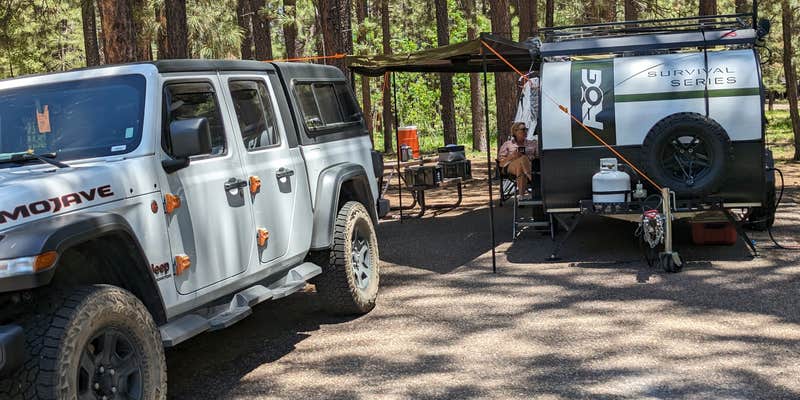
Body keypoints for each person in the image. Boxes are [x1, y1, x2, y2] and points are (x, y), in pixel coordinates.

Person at [498, 121, 538, 198]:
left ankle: (521, 196)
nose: (525, 131)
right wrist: (512, 156)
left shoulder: (532, 143)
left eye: (526, 129)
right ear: (515, 131)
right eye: (523, 129)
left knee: (520, 168)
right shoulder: (507, 144)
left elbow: (539, 157)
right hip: (510, 166)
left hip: (530, 165)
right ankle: (531, 178)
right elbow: (501, 163)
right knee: (522, 159)